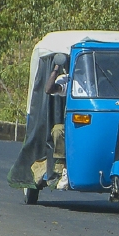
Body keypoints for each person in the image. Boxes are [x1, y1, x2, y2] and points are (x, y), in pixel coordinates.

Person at [45, 57, 69, 190]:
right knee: (58, 130)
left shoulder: (97, 79)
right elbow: (49, 89)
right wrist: (56, 68)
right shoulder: (68, 79)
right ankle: (63, 167)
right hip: (73, 124)